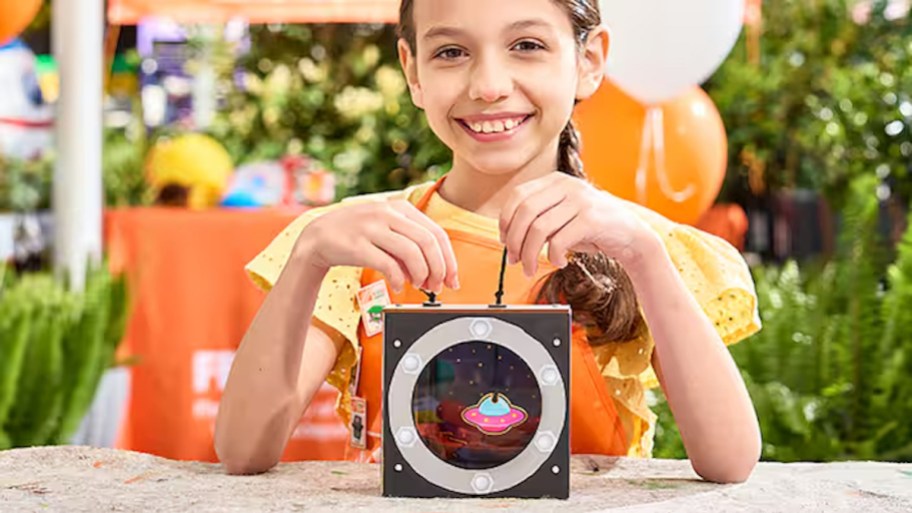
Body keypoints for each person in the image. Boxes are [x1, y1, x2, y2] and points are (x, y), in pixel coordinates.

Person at [214, 0, 763, 484]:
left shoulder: (642, 247)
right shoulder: (355, 245)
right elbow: (243, 449)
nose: (488, 85)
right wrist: (310, 256)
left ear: (589, 60)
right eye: (451, 52)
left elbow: (729, 459)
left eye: (527, 45)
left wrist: (644, 257)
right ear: (413, 71)